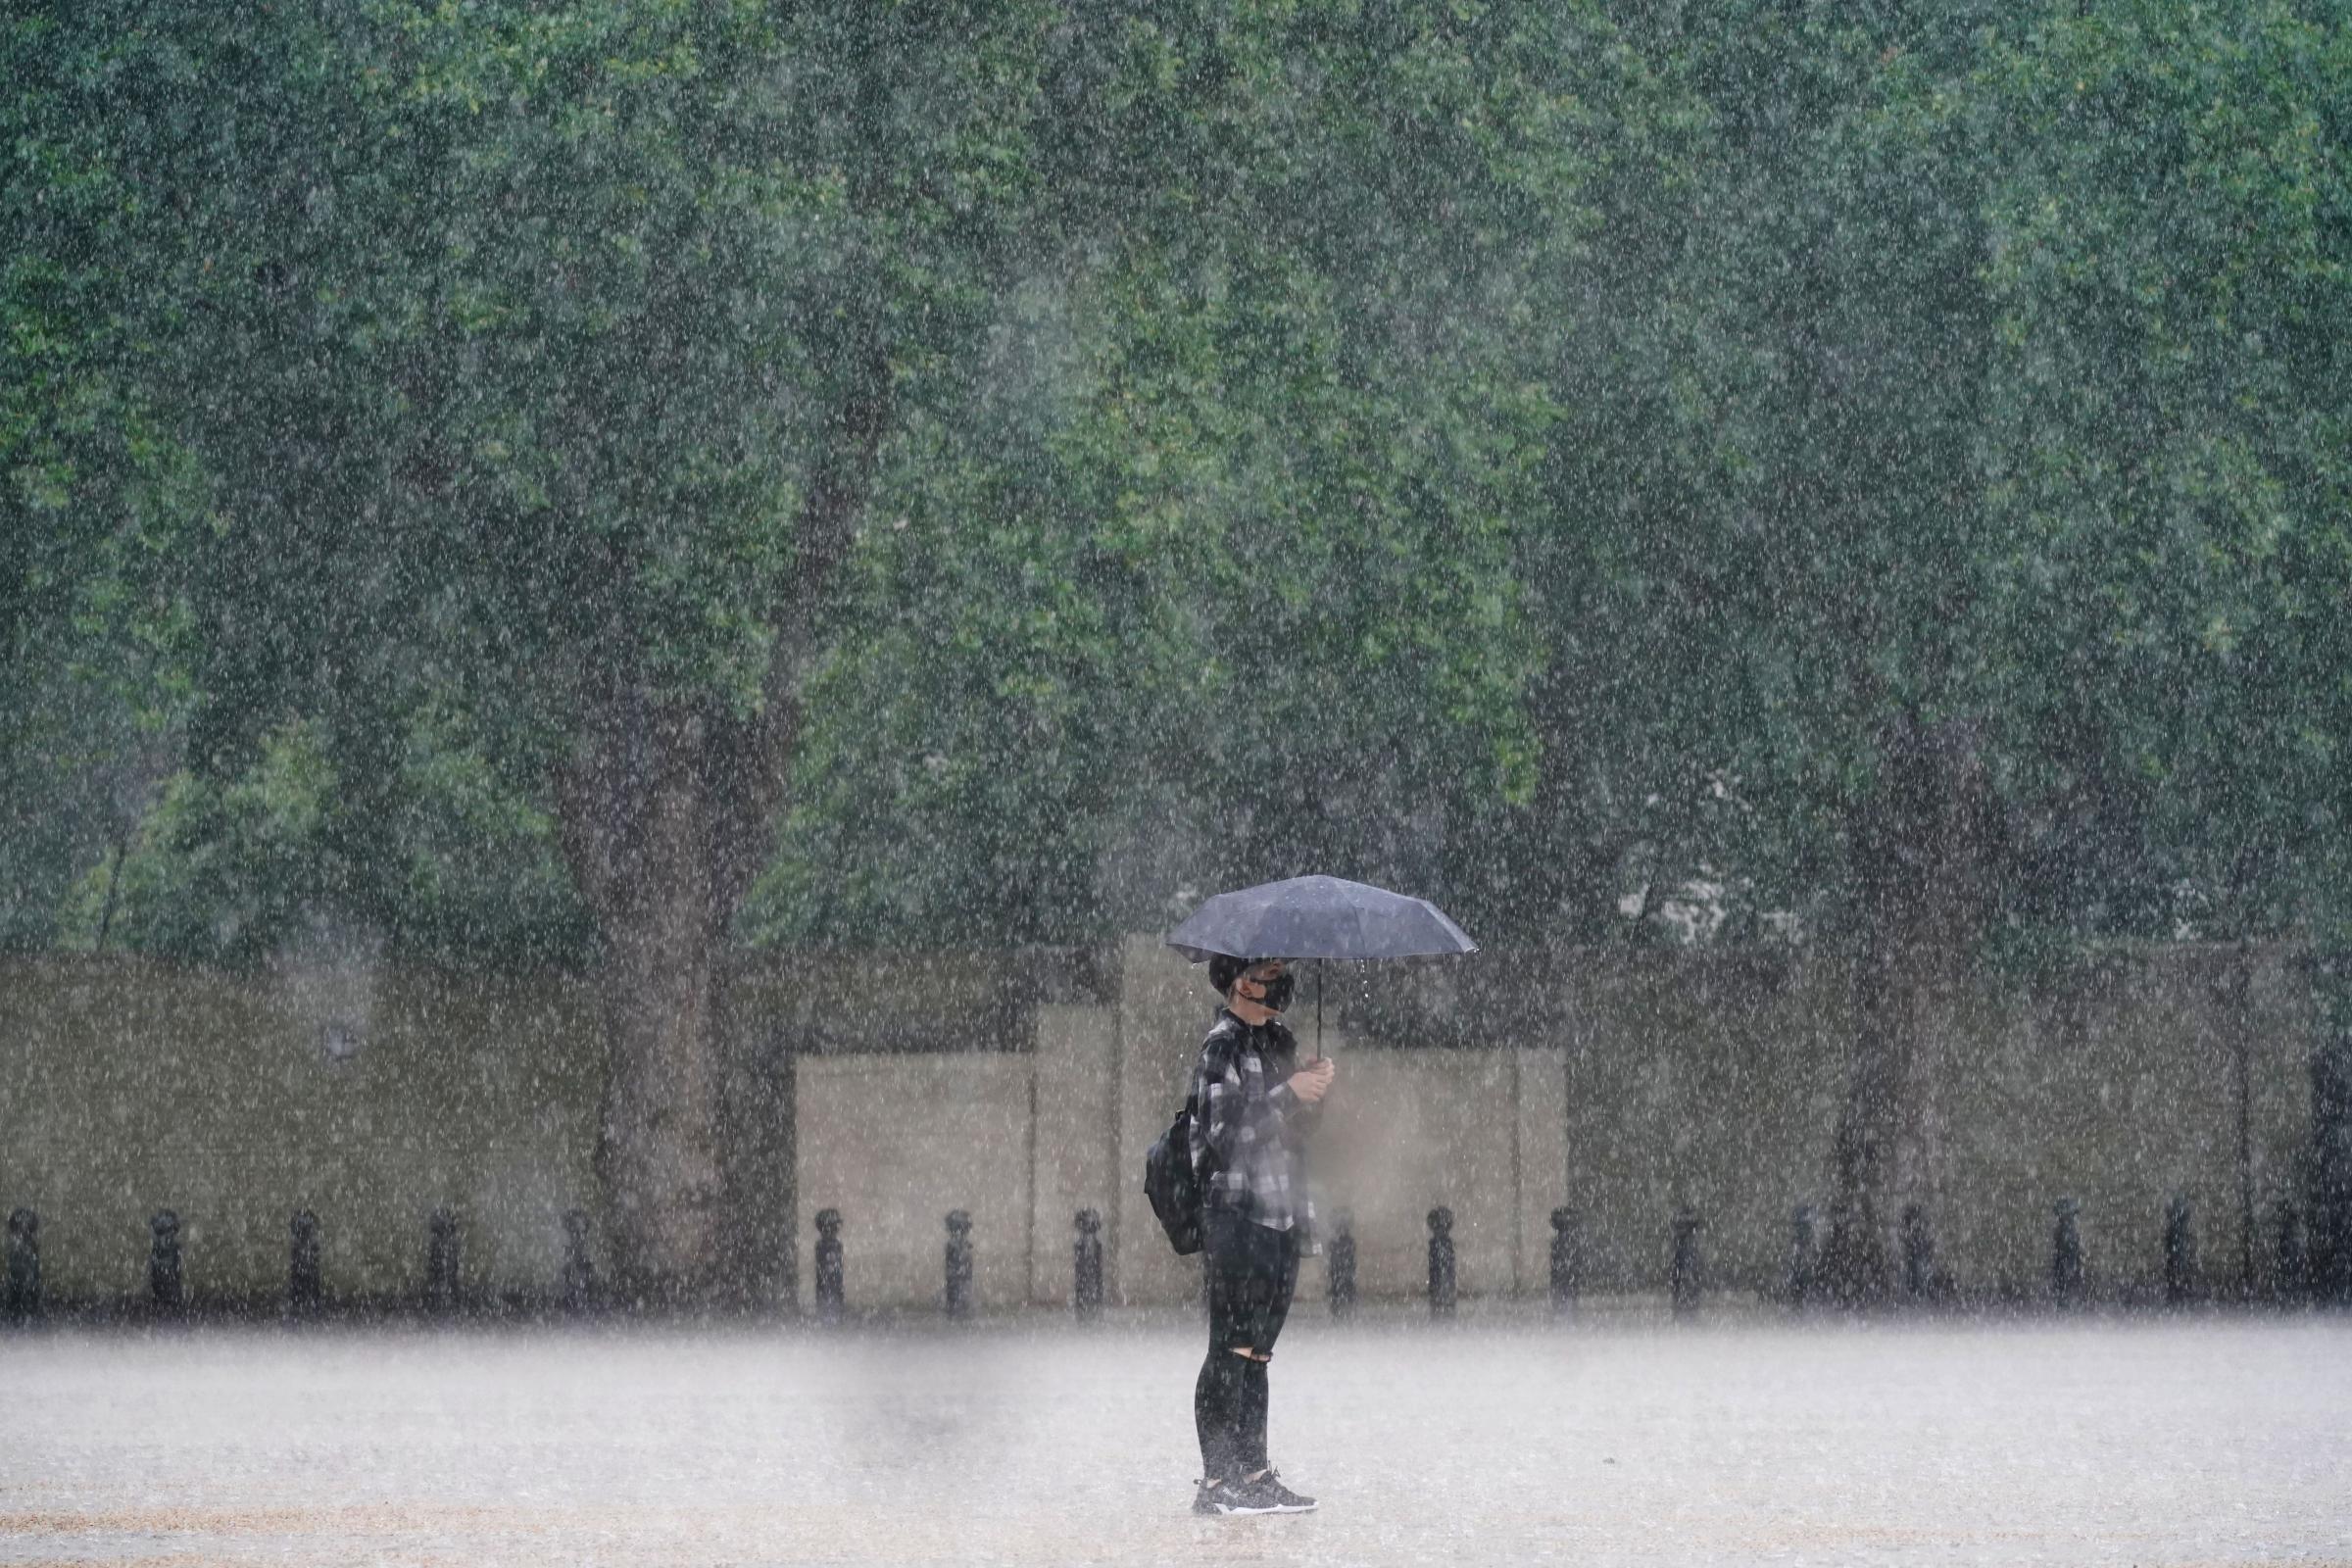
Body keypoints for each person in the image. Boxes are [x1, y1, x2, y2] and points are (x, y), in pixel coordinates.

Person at [1189, 955, 1337, 1516]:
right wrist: (1287, 1093)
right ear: (1242, 979)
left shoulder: (1279, 1041)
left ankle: (1253, 1473)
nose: (1280, 980)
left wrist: (1313, 1092)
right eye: (1270, 970)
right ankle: (1215, 1483)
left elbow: (1296, 1131)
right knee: (1228, 1346)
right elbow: (1226, 1134)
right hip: (1236, 1213)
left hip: (1283, 1212)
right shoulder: (1219, 1046)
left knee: (1258, 1353)